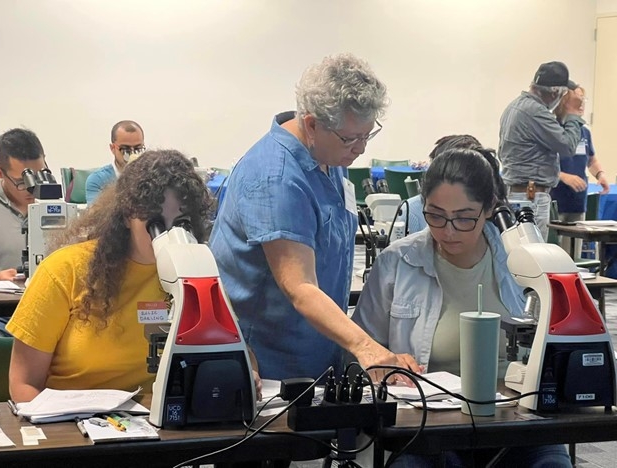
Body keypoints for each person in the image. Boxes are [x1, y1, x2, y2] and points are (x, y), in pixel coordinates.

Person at [353, 148, 572, 467]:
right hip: (426, 428)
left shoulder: (523, 263)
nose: (448, 230)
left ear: (488, 210)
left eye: (464, 217)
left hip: (516, 424)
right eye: (436, 215)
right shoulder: (397, 264)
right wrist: (382, 362)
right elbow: (359, 350)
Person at [209, 53, 419, 381]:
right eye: (351, 138)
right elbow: (300, 285)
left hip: (316, 357)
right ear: (311, 124)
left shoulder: (328, 157)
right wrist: (367, 348)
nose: (361, 149)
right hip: (269, 367)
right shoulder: (276, 176)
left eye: (368, 134)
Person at [7, 149, 227, 402]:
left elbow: (232, 346)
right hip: (80, 423)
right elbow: (23, 384)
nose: (169, 235)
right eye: (155, 224)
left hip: (162, 422)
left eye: (181, 223)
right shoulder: (64, 271)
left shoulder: (197, 270)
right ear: (126, 216)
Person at [499, 61, 585, 241]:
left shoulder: (515, 106)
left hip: (518, 192)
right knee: (534, 257)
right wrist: (573, 114)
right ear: (555, 92)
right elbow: (568, 146)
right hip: (532, 198)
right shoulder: (536, 112)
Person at [0, 128, 49, 336]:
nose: (32, 188)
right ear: (0, 174)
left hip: (52, 311)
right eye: (21, 181)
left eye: (39, 177)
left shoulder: (57, 205)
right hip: (3, 316)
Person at [551, 82, 609, 258]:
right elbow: (542, 164)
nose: (582, 104)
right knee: (554, 251)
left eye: (583, 99)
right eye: (577, 99)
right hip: (555, 199)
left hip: (577, 201)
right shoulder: (552, 129)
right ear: (564, 102)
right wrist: (564, 176)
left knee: (572, 254)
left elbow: (591, 159)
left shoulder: (584, 131)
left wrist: (600, 174)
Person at [406, 134, 483, 233]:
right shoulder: (410, 212)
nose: (449, 232)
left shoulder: (498, 221)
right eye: (436, 216)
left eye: (464, 218)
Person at [85, 120, 145, 205]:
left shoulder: (153, 176)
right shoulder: (98, 180)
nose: (132, 154)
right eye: (125, 149)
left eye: (138, 149)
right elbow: (95, 215)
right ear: (113, 148)